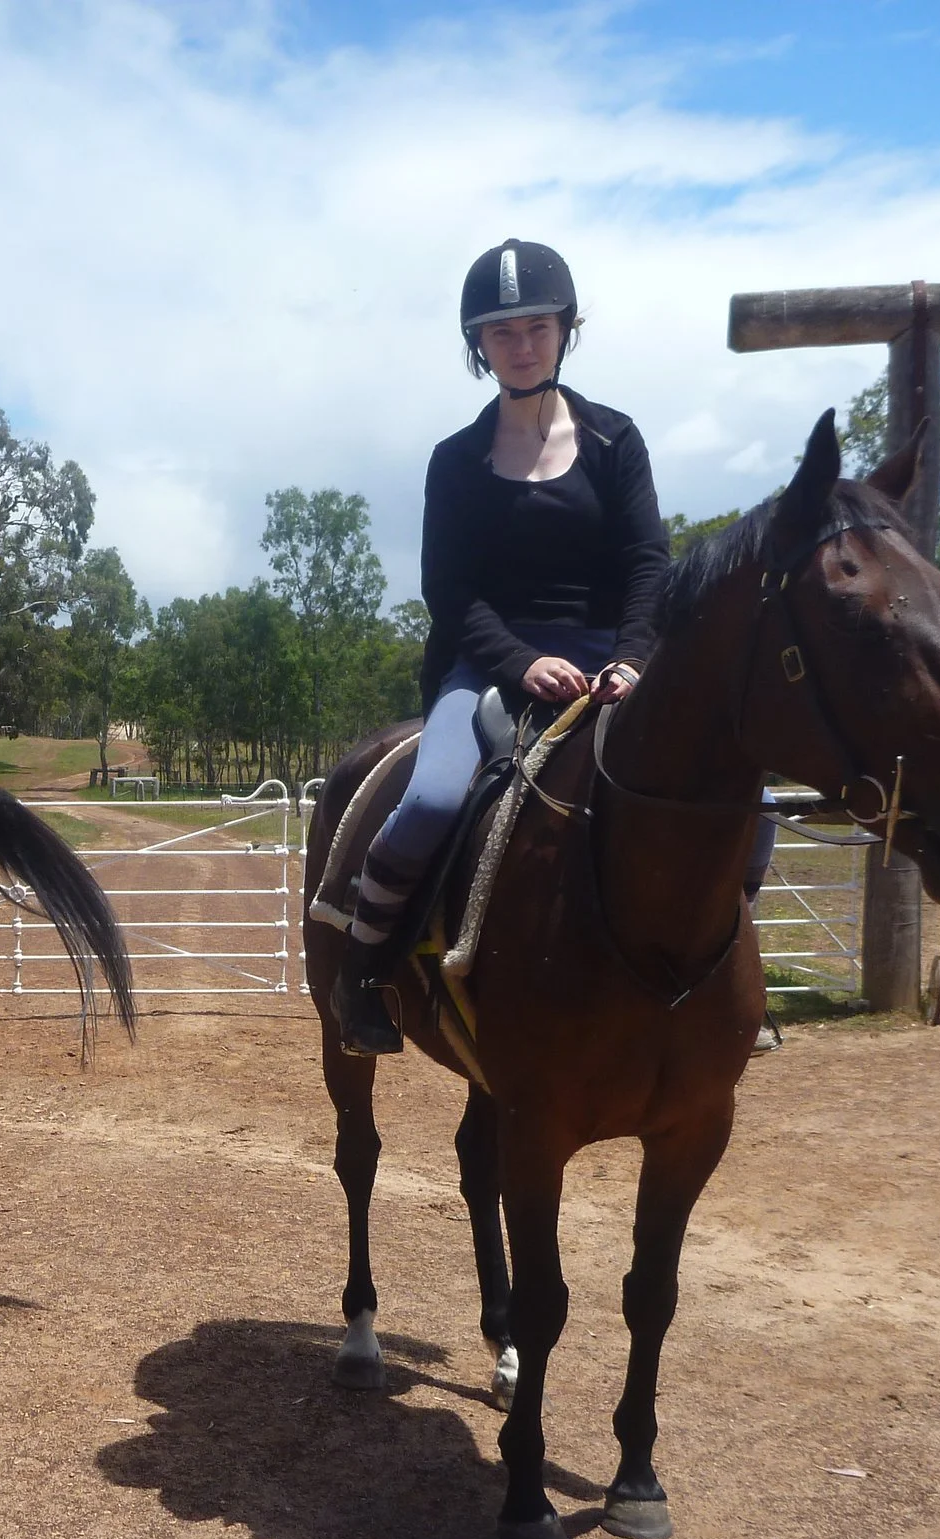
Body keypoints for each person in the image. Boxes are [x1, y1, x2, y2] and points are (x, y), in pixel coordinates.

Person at [331, 239, 671, 1055]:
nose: (522, 346)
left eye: (537, 327)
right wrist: (520, 660)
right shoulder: (455, 463)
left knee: (745, 803)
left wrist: (630, 657)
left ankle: (714, 979)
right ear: (478, 347)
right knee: (432, 800)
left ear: (566, 329)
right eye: (501, 333)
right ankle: (365, 971)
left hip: (611, 664)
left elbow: (647, 563)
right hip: (488, 664)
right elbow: (449, 593)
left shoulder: (617, 442)